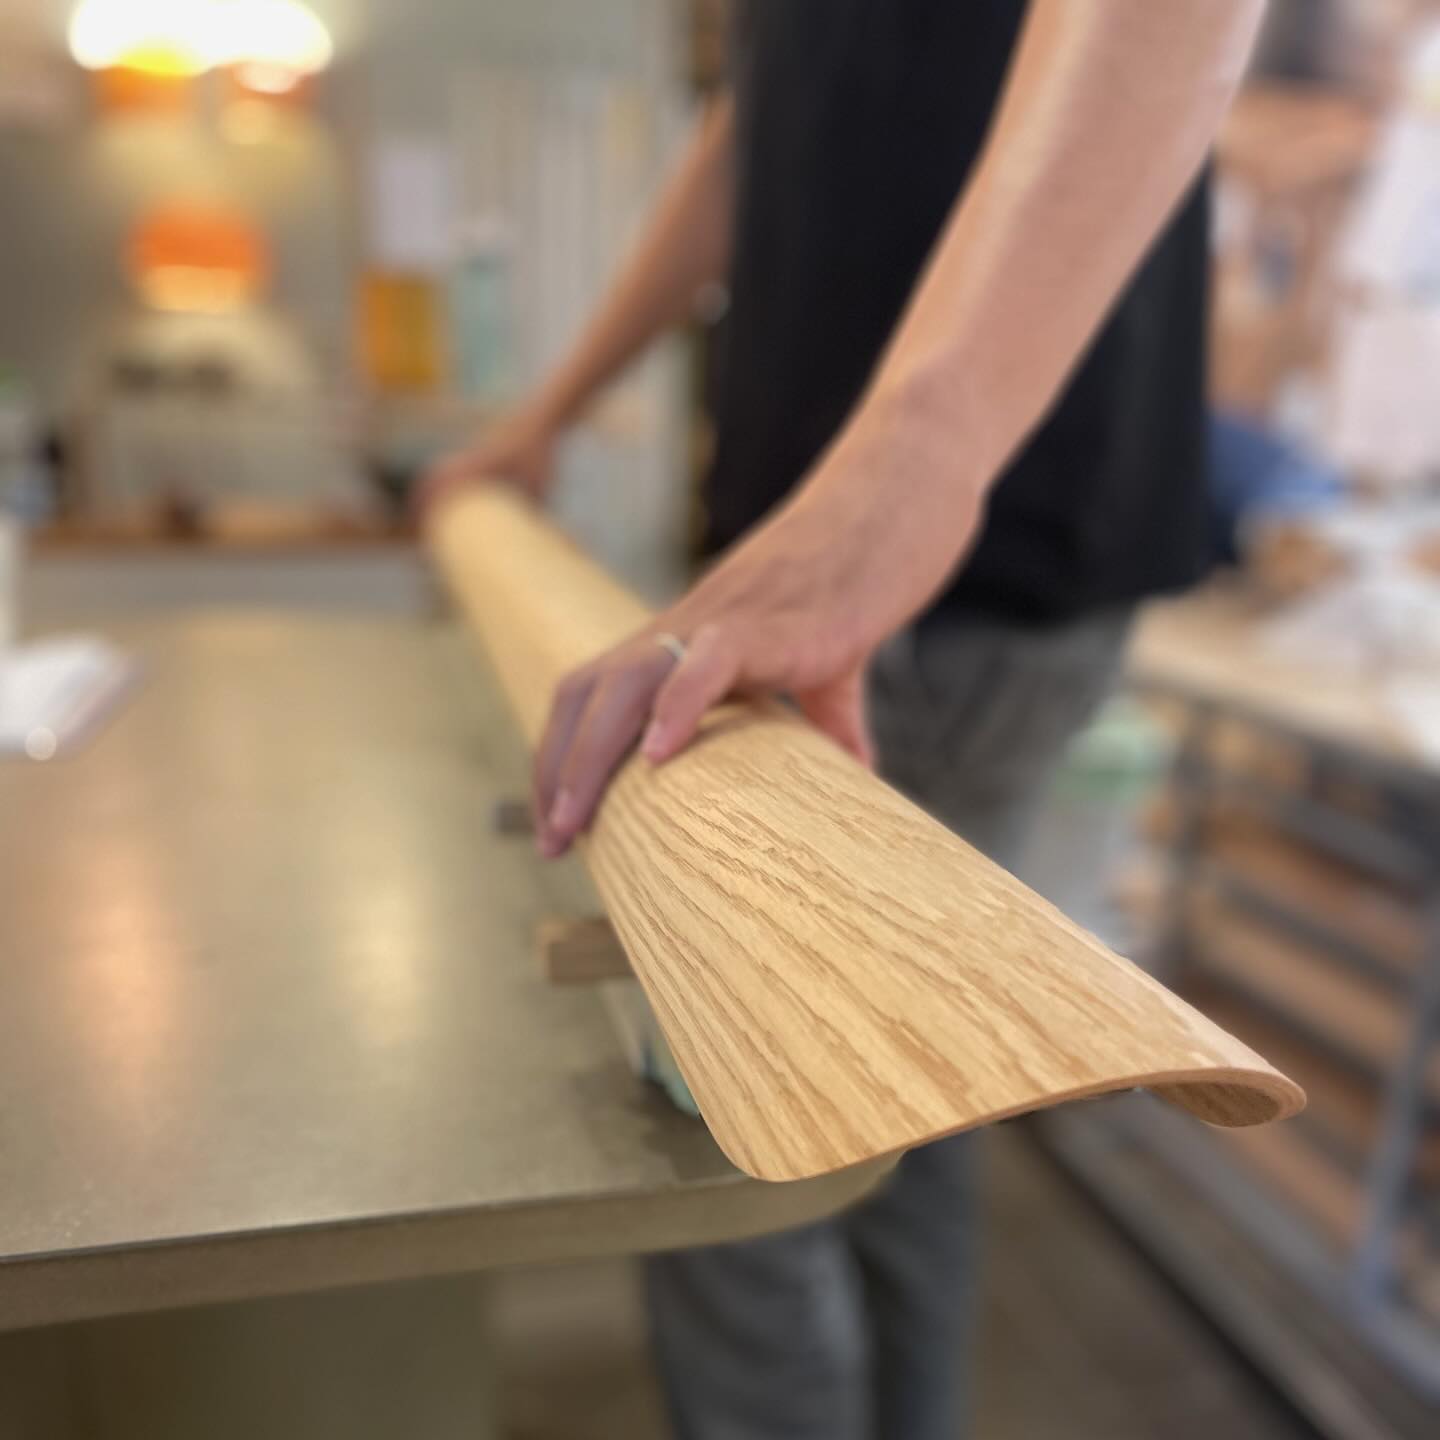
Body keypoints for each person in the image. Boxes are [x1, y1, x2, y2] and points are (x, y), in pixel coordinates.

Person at [426, 3, 1266, 1435]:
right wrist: (552, 410)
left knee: (732, 1107)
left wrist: (906, 475)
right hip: (846, 535)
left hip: (954, 545)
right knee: (914, 1074)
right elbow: (764, 112)